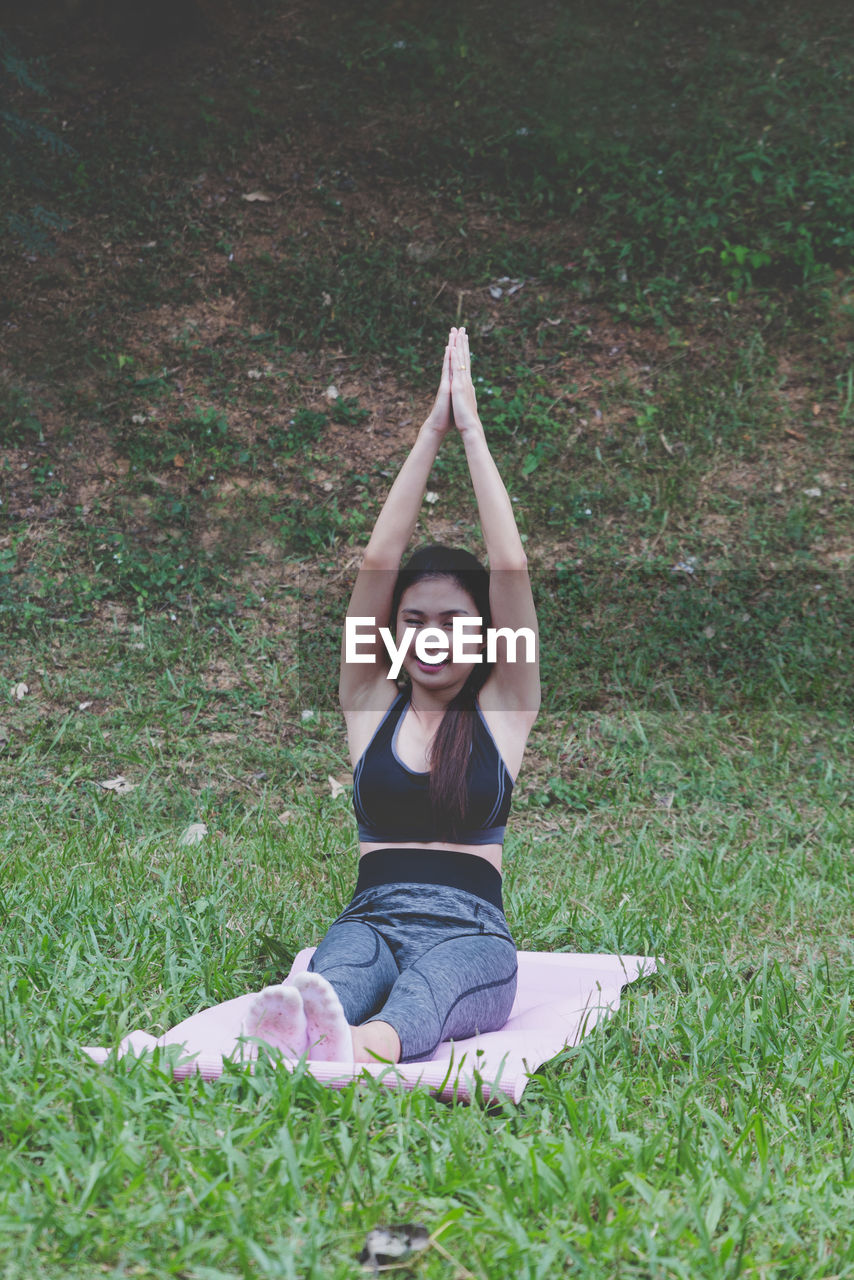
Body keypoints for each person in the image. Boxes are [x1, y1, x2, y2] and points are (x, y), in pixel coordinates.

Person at [244, 327, 541, 1064]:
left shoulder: (504, 708)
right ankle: (313, 1025)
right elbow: (379, 560)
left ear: (486, 635)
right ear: (392, 633)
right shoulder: (369, 701)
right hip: (369, 919)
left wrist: (468, 429)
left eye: (454, 623)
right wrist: (426, 431)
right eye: (414, 622)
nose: (433, 639)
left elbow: (510, 564)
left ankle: (363, 1048)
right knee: (339, 968)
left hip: (471, 937)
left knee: (429, 991)